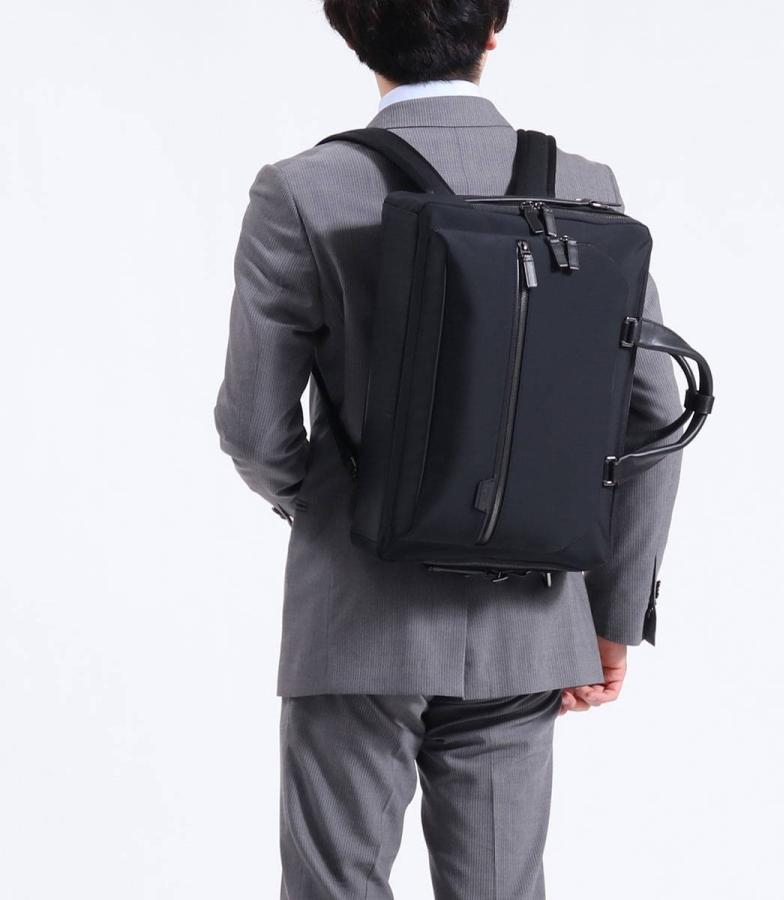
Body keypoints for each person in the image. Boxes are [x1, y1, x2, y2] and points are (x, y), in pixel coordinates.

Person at [214, 2, 682, 897]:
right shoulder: (584, 185)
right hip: (529, 618)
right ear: (494, 27)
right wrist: (612, 612)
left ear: (352, 34)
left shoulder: (303, 190)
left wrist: (331, 510)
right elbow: (654, 412)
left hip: (359, 619)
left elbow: (252, 426)